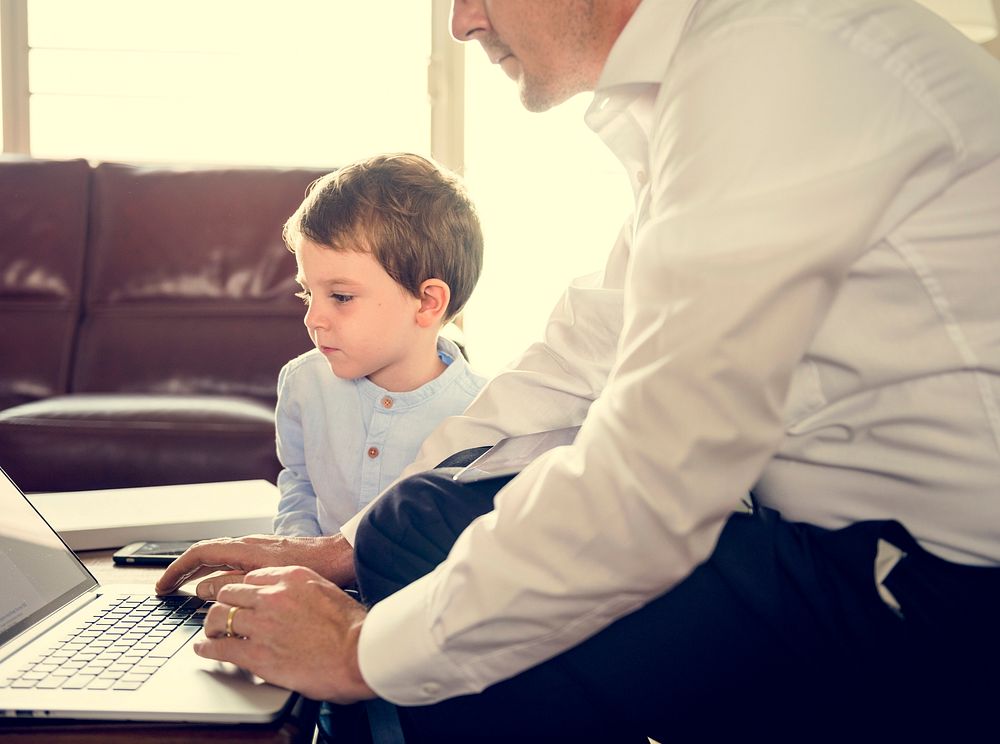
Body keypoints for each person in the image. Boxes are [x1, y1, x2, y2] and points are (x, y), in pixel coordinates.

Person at [157, 1, 1000, 741]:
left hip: (937, 599)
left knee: (451, 646)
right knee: (411, 525)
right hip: (828, 547)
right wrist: (341, 547)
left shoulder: (778, 63)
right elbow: (579, 359)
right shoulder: (708, 79)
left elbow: (654, 476)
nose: (461, 21)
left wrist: (357, 652)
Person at [270, 153, 487, 538]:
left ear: (427, 302)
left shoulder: (481, 416)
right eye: (307, 294)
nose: (312, 318)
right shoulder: (303, 383)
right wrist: (295, 557)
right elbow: (299, 483)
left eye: (340, 296)